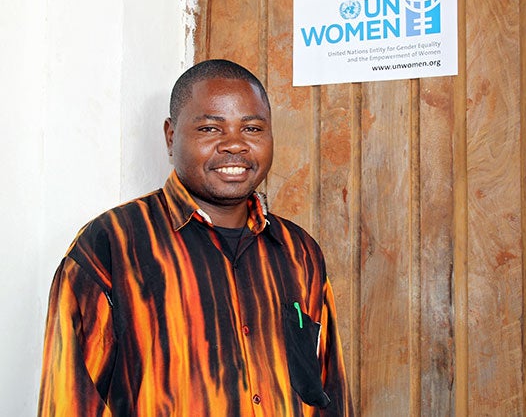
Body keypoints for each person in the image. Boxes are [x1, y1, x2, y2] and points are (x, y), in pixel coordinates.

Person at [38, 59, 353, 416]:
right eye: (210, 129)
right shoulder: (111, 246)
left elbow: (329, 391)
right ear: (171, 136)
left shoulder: (300, 252)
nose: (235, 145)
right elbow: (71, 400)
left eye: (251, 128)